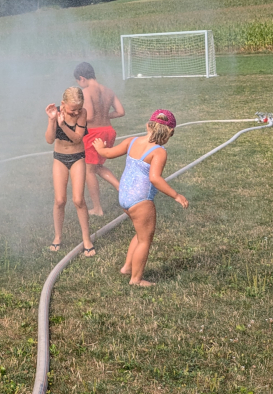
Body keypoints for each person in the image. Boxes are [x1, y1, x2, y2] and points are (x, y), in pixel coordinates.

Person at [92, 110, 189, 287]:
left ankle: (128, 268)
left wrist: (100, 149)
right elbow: (154, 178)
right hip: (141, 200)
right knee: (145, 239)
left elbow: (108, 153)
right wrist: (176, 195)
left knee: (140, 233)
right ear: (170, 133)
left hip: (124, 196)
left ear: (147, 125)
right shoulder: (159, 152)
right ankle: (136, 279)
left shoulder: (132, 141)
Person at [43, 86, 95, 256]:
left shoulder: (82, 113)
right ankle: (57, 236)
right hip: (60, 158)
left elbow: (77, 139)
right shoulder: (56, 113)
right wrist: (52, 121)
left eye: (79, 108)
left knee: (79, 200)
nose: (76, 112)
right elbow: (50, 140)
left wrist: (63, 124)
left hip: (77, 157)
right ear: (63, 104)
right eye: (73, 109)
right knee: (59, 200)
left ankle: (86, 239)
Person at [73, 62, 125, 216]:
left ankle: (97, 208)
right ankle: (120, 186)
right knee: (96, 167)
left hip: (94, 134)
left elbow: (88, 116)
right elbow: (121, 111)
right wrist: (105, 115)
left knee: (89, 170)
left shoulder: (86, 92)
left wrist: (75, 117)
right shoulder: (108, 91)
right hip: (108, 131)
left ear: (82, 78)